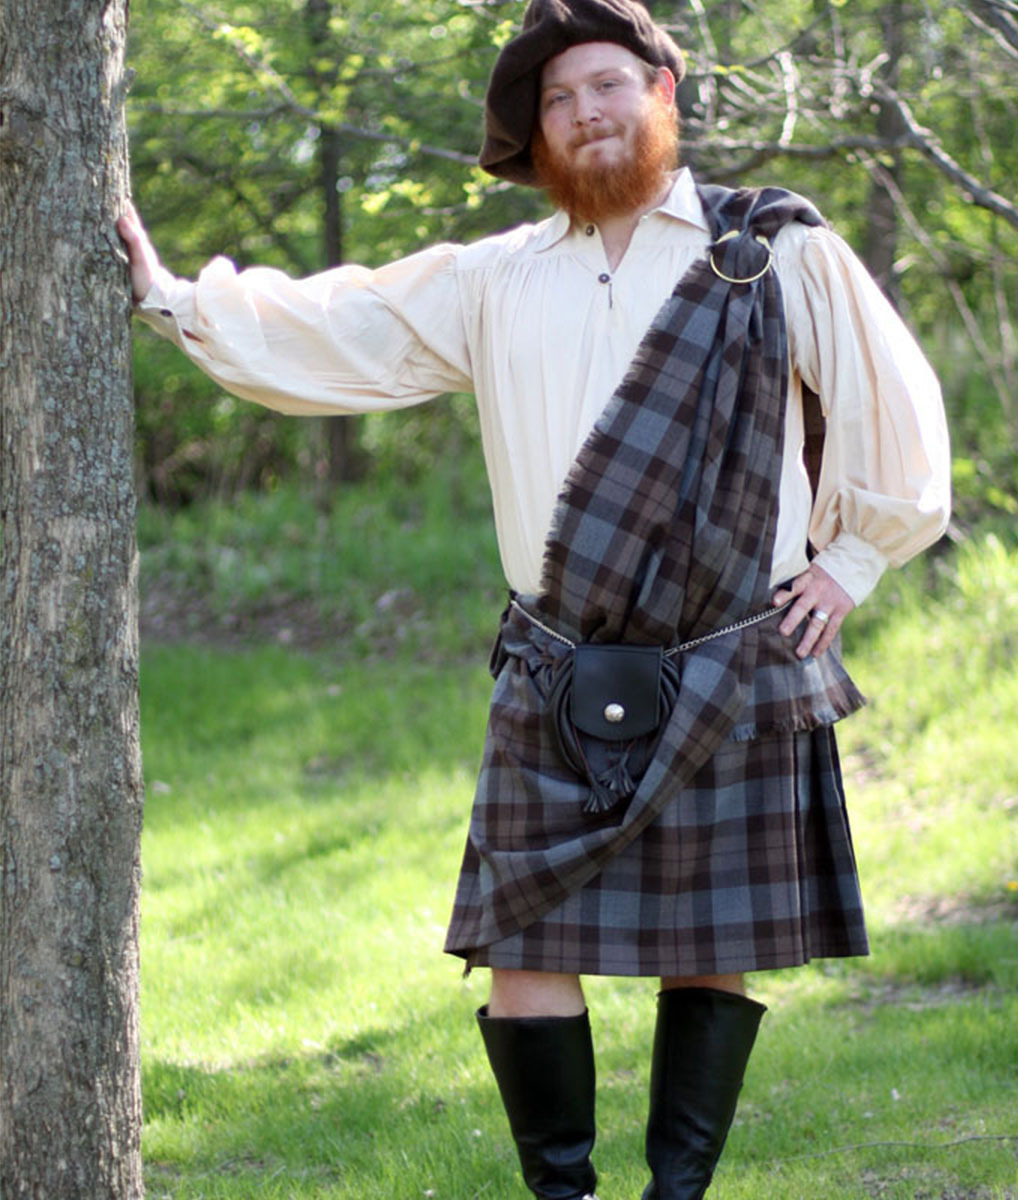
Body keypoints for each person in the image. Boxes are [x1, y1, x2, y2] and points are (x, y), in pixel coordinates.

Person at [119, 2, 950, 1196]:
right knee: (521, 946)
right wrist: (177, 297)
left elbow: (891, 392)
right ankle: (562, 1194)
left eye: (606, 87)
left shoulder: (772, 250)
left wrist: (854, 557)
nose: (585, 114)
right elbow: (345, 321)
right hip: (558, 663)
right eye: (559, 101)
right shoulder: (496, 278)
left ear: (662, 95)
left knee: (708, 951)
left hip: (727, 652)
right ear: (539, 133)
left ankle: (676, 1196)